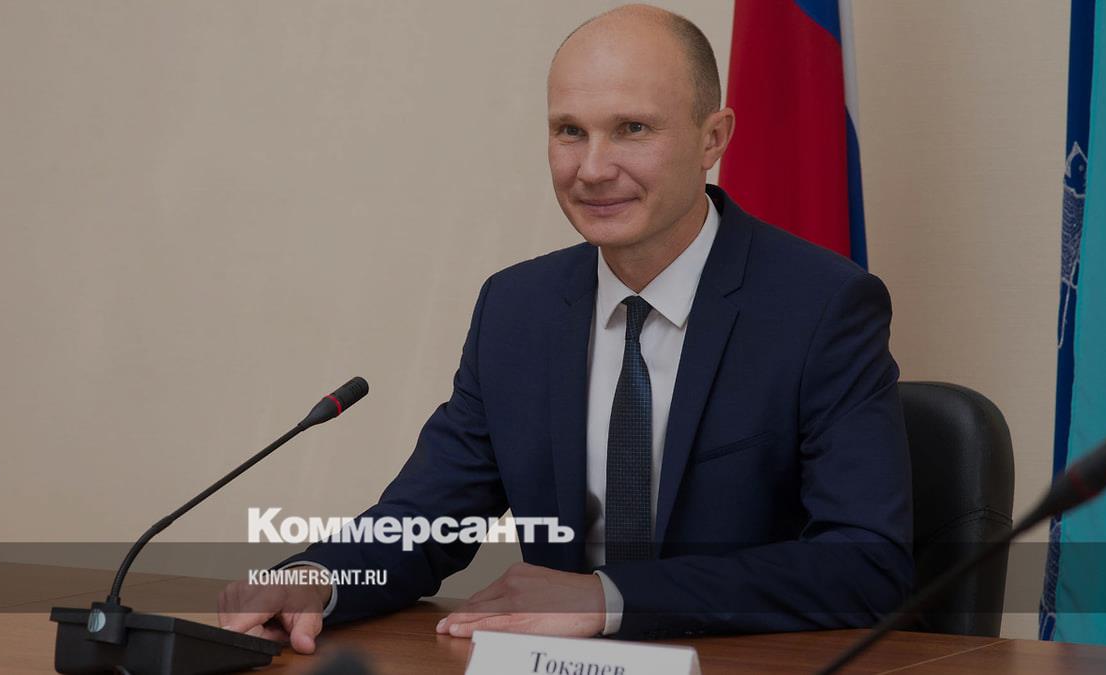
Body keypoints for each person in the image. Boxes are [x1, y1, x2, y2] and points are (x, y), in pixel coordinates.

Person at [218, 3, 912, 654]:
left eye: (632, 129)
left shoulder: (821, 306)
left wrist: (608, 598)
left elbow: (866, 563)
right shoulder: (517, 308)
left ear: (713, 138)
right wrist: (317, 575)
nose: (593, 169)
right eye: (569, 131)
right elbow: (427, 521)